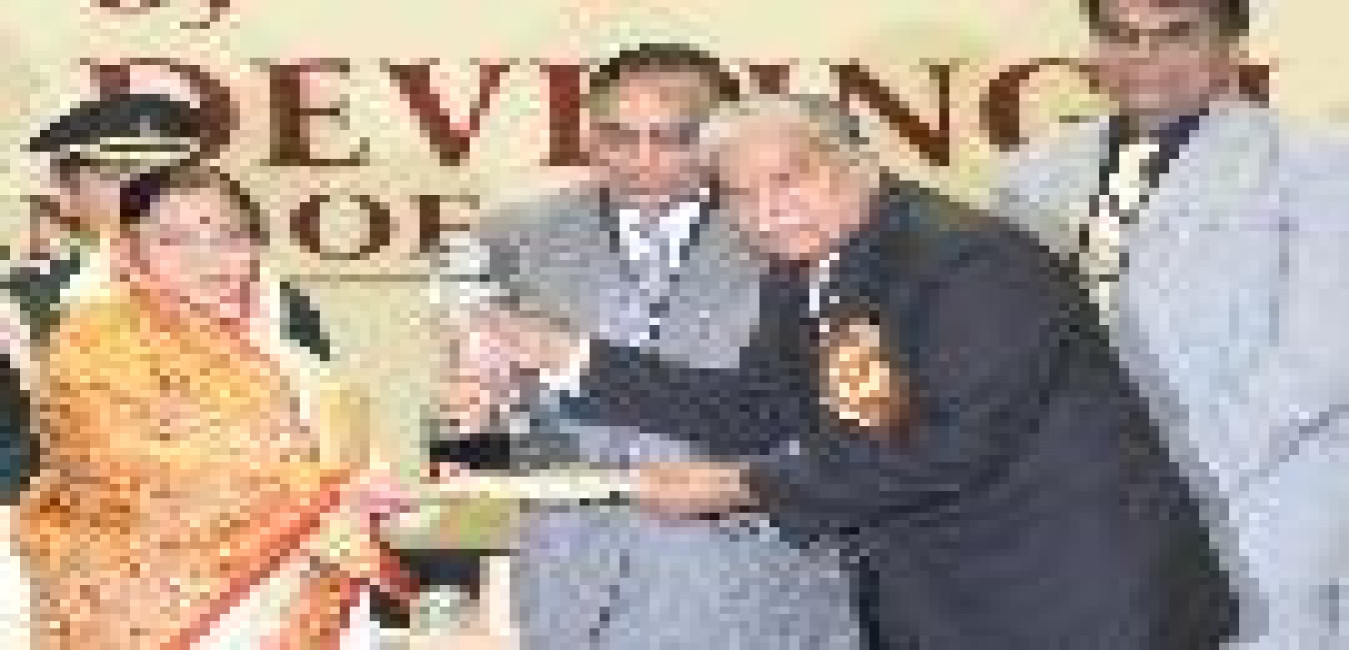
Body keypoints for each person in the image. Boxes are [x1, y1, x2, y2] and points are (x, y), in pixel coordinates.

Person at [476, 94, 1240, 649]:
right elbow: (755, 408)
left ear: (857, 165)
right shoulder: (806, 262)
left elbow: (951, 451)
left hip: (1071, 604)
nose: (767, 211)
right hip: (944, 596)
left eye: (789, 180)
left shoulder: (967, 262)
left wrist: (742, 486)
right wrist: (563, 354)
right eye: (740, 195)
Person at [442, 44, 859, 649]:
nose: (641, 161)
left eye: (672, 139)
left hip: (752, 587)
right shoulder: (509, 239)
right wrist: (474, 430)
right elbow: (475, 447)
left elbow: (830, 428)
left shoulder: (797, 231)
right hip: (568, 593)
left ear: (721, 137)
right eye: (617, 137)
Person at [995, 0, 1349, 645]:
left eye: (1175, 35)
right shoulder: (1031, 173)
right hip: (1077, 533)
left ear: (1232, 45)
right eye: (1121, 36)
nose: (1144, 58)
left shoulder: (1317, 165)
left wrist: (1163, 469)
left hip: (1254, 525)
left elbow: (1320, 360)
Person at [17, 164, 412, 649]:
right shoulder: (95, 343)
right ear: (128, 249)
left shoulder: (290, 356)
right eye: (174, 239)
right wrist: (317, 491)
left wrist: (371, 485)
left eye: (230, 237)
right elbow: (117, 461)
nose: (208, 257)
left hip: (306, 587)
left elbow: (345, 455)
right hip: (157, 600)